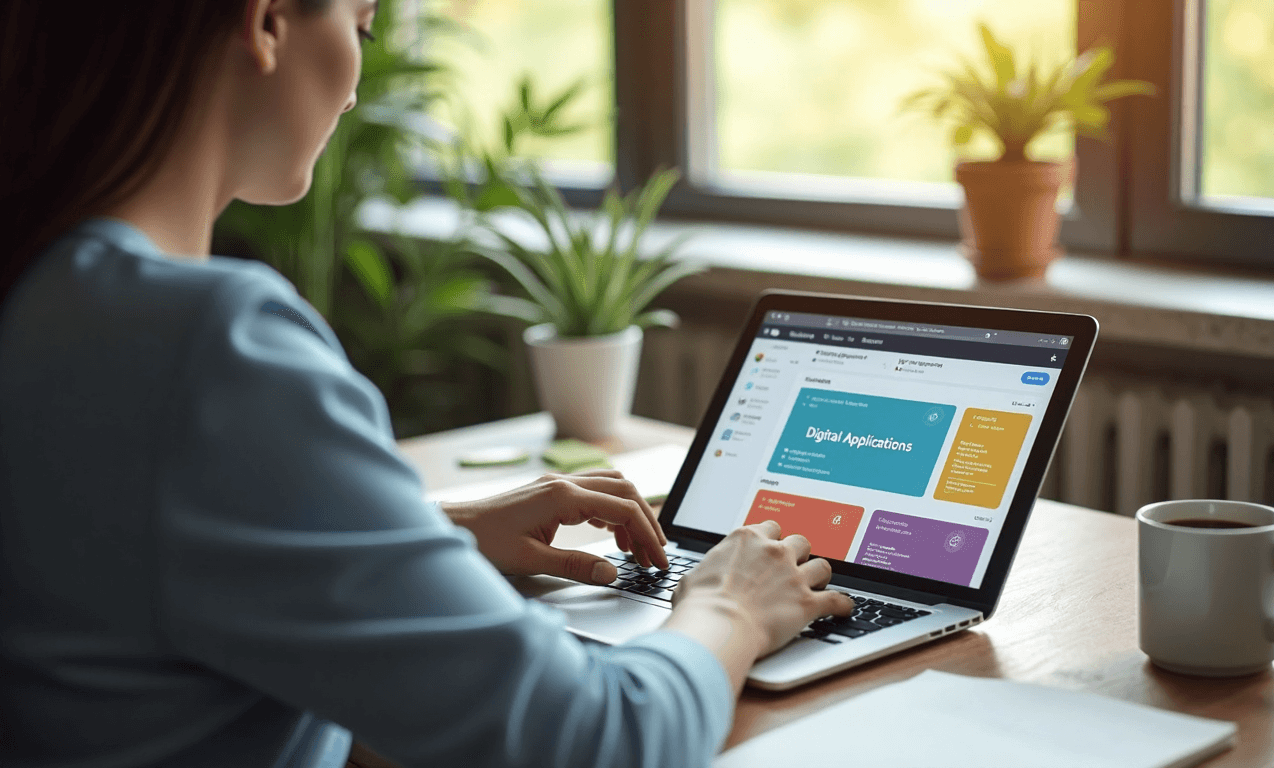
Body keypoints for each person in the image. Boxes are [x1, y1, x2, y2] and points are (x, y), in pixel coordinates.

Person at [0, 2, 853, 766]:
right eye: (362, 24)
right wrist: (732, 606)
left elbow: (107, 547)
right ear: (265, 23)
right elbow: (594, 742)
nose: (357, 83)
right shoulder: (203, 342)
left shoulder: (51, 295)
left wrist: (412, 536)